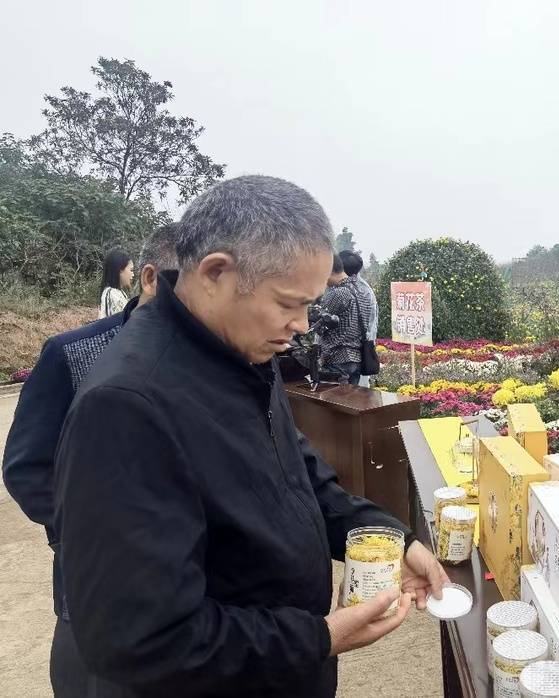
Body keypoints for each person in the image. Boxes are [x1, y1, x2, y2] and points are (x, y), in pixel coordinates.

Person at [53, 175, 447, 697]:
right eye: (288, 303)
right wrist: (317, 638)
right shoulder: (129, 405)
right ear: (217, 272)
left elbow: (299, 478)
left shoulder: (242, 352)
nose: (302, 325)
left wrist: (394, 535)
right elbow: (140, 638)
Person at [2, 223, 179, 697]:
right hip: (95, 576)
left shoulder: (215, 359)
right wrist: (89, 529)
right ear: (149, 279)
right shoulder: (73, 353)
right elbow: (25, 466)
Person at [312, 252, 367, 385]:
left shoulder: (338, 293)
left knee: (334, 403)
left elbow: (319, 324)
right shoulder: (362, 289)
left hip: (337, 358)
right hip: (356, 357)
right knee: (351, 402)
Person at [339, 249, 379, 386]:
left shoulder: (340, 291)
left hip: (343, 356)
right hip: (362, 351)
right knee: (357, 397)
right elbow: (372, 323)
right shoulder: (366, 290)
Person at [98, 247, 134, 318]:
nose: (133, 274)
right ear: (120, 270)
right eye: (131, 270)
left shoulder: (117, 292)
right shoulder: (112, 294)